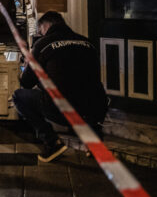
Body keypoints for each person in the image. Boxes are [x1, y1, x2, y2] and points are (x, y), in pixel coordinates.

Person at [12, 11, 108, 162]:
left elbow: (26, 83)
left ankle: (52, 142)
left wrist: (28, 63)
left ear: (47, 25)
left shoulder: (42, 45)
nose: (41, 34)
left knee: (19, 96)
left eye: (41, 31)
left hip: (61, 109)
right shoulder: (87, 42)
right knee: (88, 91)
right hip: (94, 108)